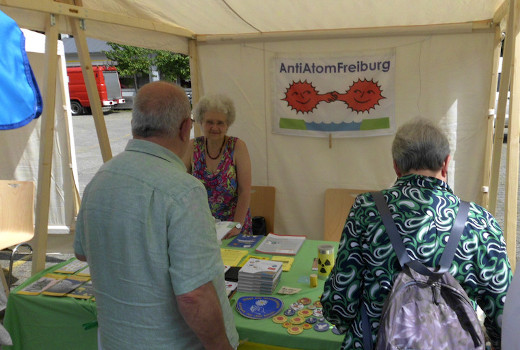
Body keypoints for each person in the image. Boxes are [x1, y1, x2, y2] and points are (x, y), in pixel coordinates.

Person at [74, 81, 239, 350]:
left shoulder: (101, 178)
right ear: (186, 128)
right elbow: (194, 294)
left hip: (115, 339)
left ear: (133, 124)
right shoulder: (183, 191)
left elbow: (83, 251)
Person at [321, 118, 512, 350]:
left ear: (396, 166)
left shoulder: (367, 209)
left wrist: (343, 323)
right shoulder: (480, 222)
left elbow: (340, 301)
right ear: (446, 164)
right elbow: (506, 314)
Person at [184, 94, 252, 238]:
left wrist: (237, 226)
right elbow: (181, 187)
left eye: (220, 123)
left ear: (228, 124)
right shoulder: (192, 147)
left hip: (234, 227)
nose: (215, 127)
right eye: (209, 122)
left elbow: (245, 191)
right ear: (201, 121)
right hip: (201, 226)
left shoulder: (237, 146)